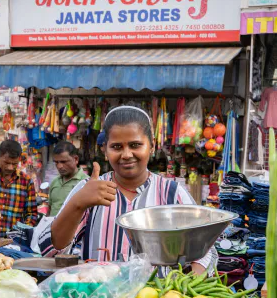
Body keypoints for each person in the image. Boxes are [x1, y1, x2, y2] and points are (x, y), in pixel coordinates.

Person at [39, 106, 217, 274]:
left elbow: (206, 252)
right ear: (105, 150)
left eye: (135, 145)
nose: (126, 155)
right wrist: (77, 204)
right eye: (116, 147)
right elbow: (51, 250)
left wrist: (186, 284)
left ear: (152, 146)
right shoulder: (90, 189)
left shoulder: (172, 193)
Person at [0, 140, 37, 237]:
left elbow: (31, 214)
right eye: (6, 162)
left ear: (19, 159)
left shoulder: (26, 181)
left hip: (14, 242)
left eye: (14, 164)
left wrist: (21, 234)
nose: (10, 167)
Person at [48, 141, 88, 217]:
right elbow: (50, 209)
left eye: (63, 162)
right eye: (56, 162)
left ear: (76, 159)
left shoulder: (86, 183)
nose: (59, 166)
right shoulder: (55, 182)